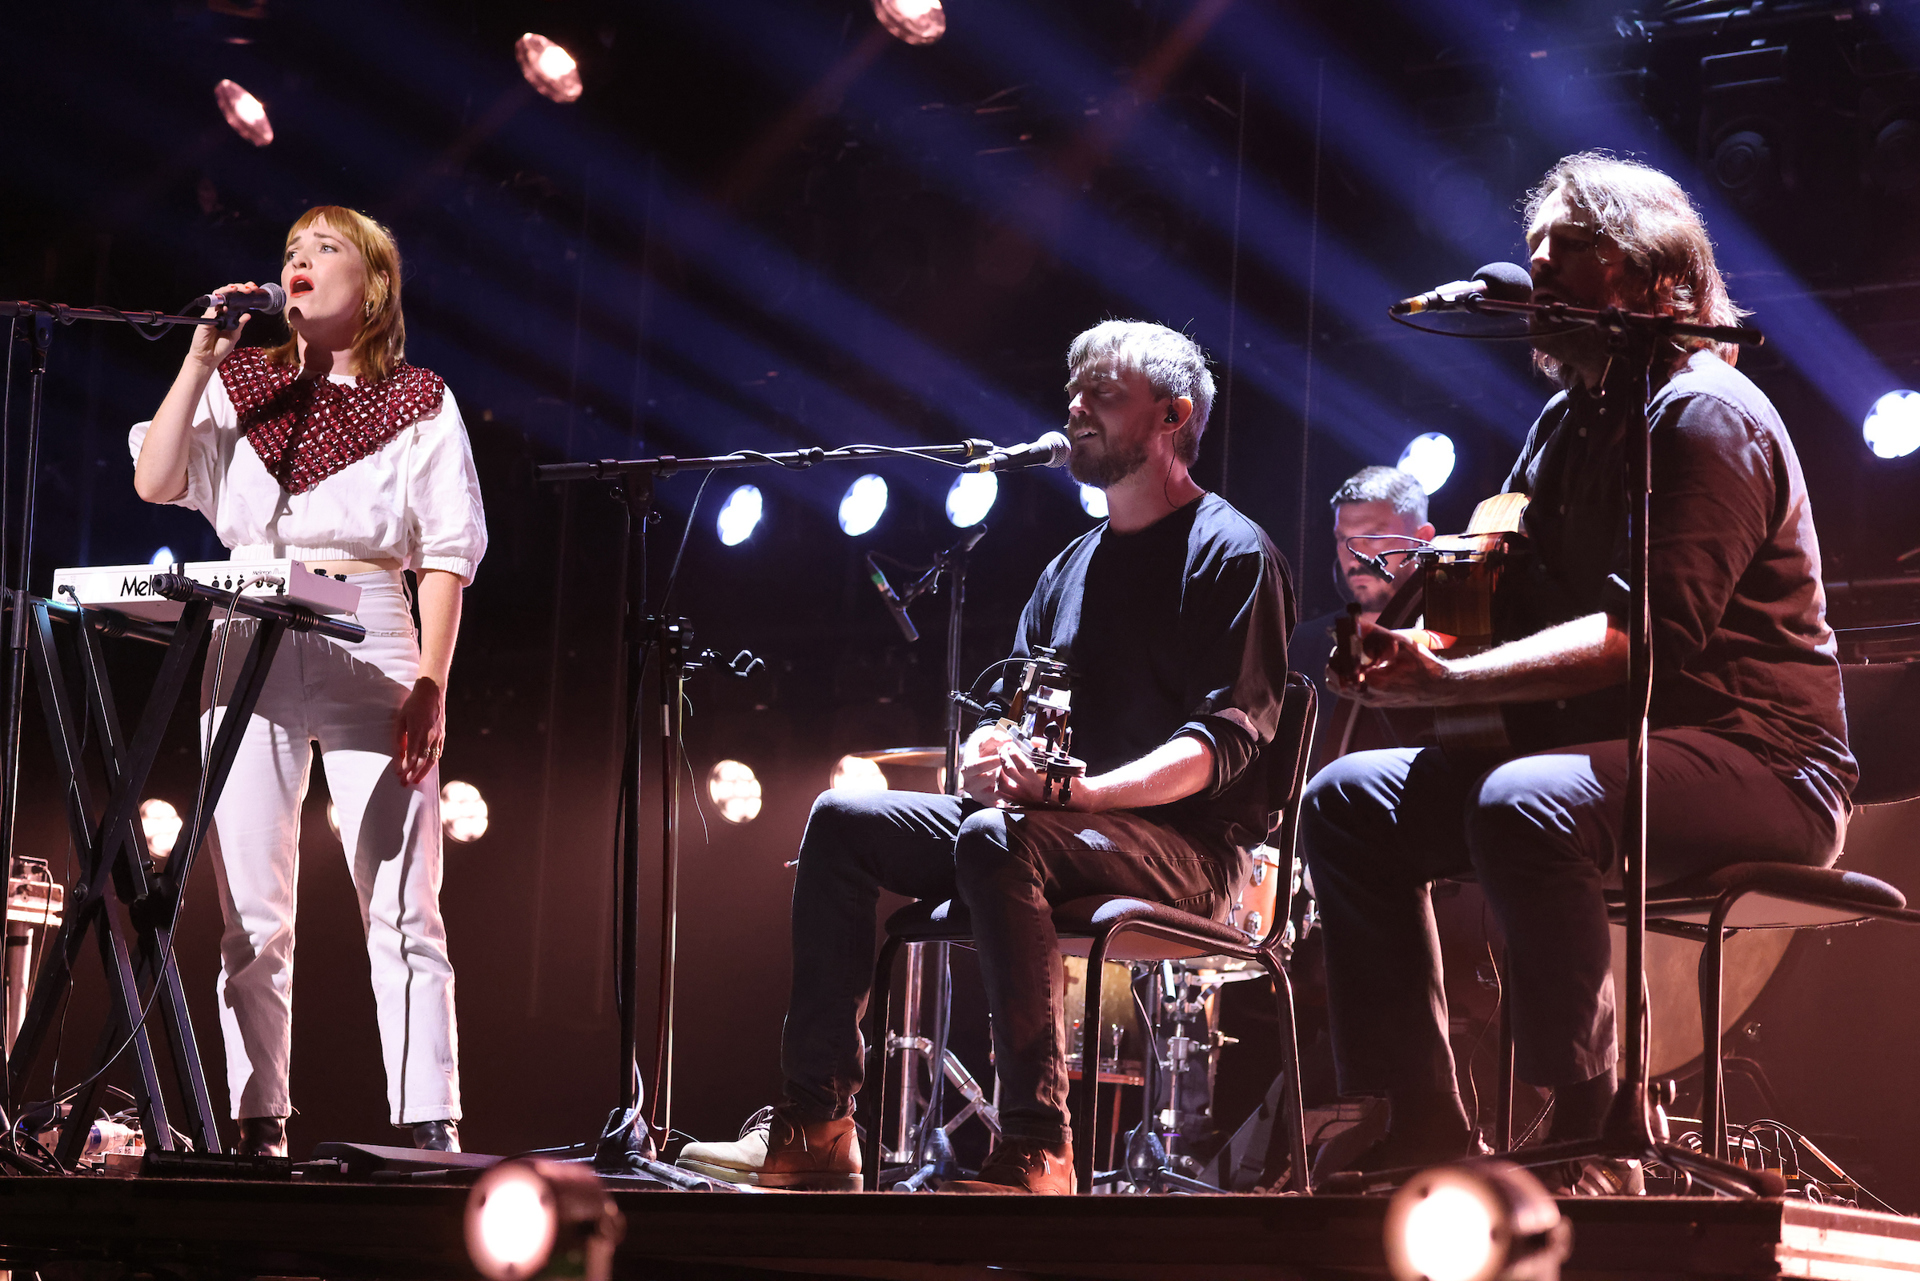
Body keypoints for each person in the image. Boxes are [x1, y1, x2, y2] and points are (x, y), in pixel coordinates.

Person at [1301, 153, 1855, 1191]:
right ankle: (1422, 1118)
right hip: (1606, 754)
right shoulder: (1566, 424)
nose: (1540, 267)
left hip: (1765, 763)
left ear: (1655, 278)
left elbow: (1648, 636)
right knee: (1345, 802)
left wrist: (1451, 686)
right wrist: (1409, 641)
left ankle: (1597, 1126)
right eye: (1534, 249)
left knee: (1527, 801)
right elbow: (1498, 591)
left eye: (1571, 247)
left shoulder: (1707, 415)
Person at [677, 320, 1294, 1193]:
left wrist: (1080, 793)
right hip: (1059, 828)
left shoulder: (1232, 552)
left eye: (1103, 393)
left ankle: (1039, 1144)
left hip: (1190, 851)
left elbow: (1222, 742)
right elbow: (1015, 709)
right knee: (843, 819)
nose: (1074, 408)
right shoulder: (1069, 567)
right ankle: (817, 1123)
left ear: (1173, 415)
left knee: (997, 839)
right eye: (1072, 390)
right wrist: (987, 747)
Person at [131, 206, 487, 1157]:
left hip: (369, 622)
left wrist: (431, 679)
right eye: (292, 249)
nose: (300, 260)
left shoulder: (419, 397)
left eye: (326, 248)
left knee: (401, 893)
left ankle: (429, 1120)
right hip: (248, 617)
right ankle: (261, 1120)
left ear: (373, 286)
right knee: (250, 904)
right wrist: (200, 357)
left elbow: (446, 553)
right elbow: (156, 480)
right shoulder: (242, 383)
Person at [1288, 466, 1436, 764]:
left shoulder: (1443, 637)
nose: (1355, 557)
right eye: (1344, 538)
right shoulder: (1302, 643)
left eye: (1373, 537)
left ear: (1421, 538)